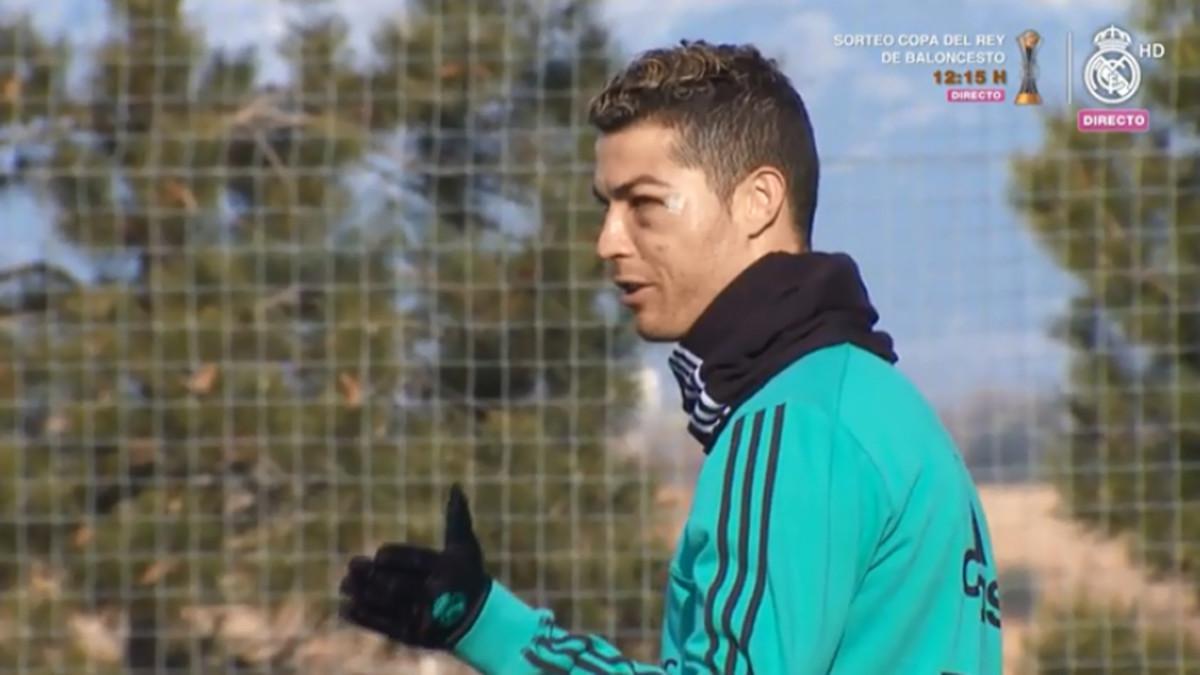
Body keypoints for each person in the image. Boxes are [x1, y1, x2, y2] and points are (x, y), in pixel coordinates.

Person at [338, 39, 1004, 674]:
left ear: (758, 200)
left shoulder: (788, 426)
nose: (607, 241)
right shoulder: (875, 403)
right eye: (606, 206)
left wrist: (491, 628)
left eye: (644, 204)